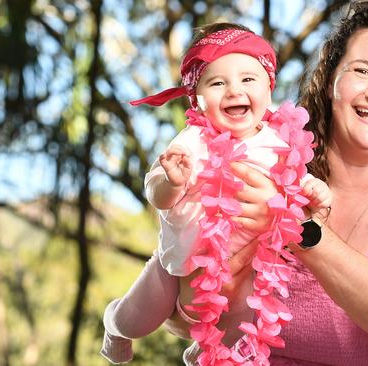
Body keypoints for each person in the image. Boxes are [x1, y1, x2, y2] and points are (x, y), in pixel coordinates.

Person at [166, 2, 368, 365]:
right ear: (330, 81)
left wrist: (292, 223)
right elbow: (182, 318)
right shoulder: (259, 162)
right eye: (361, 70)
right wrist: (200, 283)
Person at [100, 22, 332, 364]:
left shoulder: (280, 143)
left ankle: (205, 353)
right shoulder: (193, 141)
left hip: (248, 267)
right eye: (218, 82)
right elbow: (156, 194)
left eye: (248, 79)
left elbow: (297, 194)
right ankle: (113, 326)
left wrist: (315, 189)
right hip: (179, 266)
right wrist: (172, 182)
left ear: (269, 89)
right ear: (197, 99)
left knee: (245, 327)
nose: (234, 90)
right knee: (136, 321)